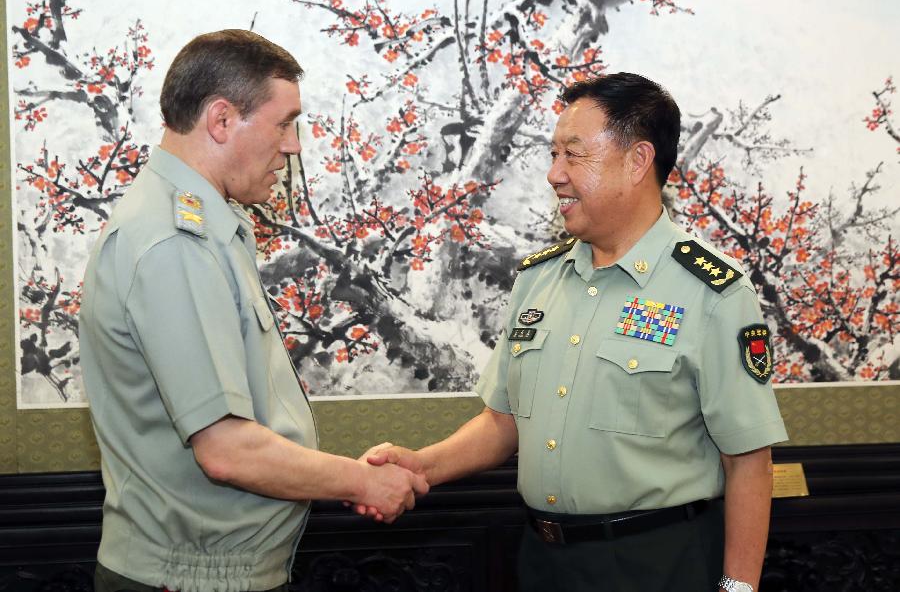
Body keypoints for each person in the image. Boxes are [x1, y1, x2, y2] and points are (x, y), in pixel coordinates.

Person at [363, 73, 787, 592]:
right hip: (543, 561)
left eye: (573, 154)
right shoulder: (539, 281)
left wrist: (739, 589)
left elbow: (748, 459)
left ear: (637, 161)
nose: (553, 174)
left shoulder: (713, 292)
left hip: (658, 564)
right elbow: (504, 422)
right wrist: (420, 465)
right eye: (553, 154)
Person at [78, 29, 428, 592]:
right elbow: (227, 450)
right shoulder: (175, 243)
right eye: (284, 123)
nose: (292, 146)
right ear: (221, 121)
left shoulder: (198, 226)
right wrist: (362, 483)